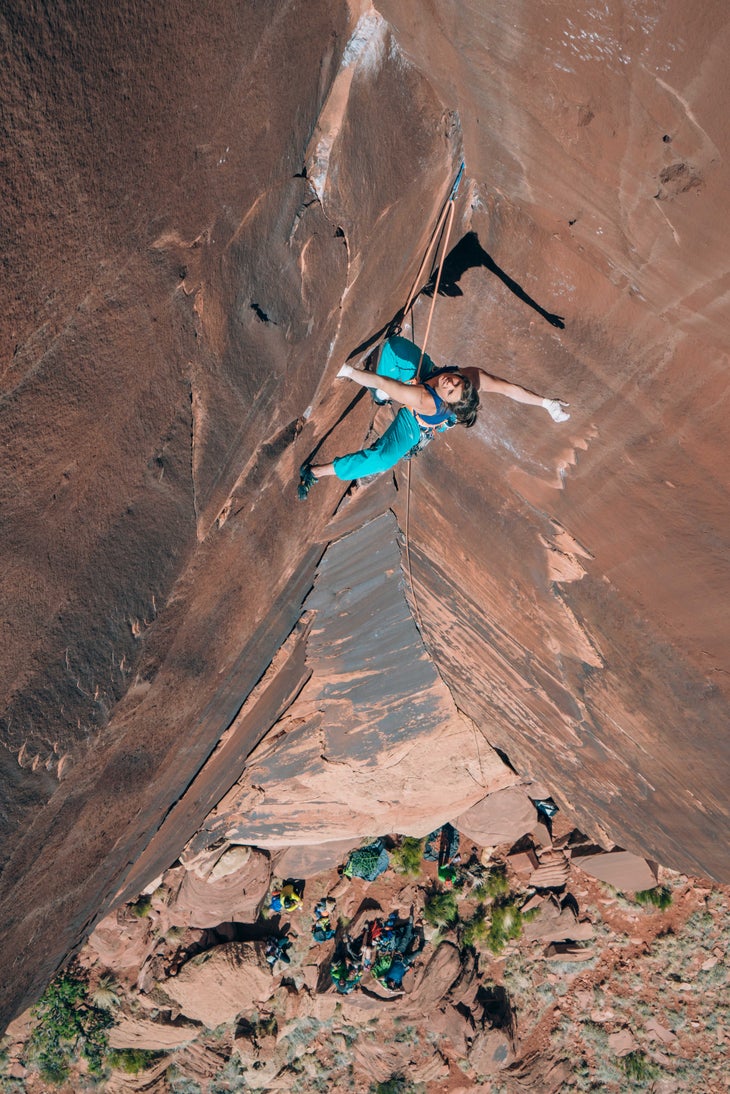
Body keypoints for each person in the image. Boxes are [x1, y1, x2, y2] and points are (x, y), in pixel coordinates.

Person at [298, 336, 569, 499]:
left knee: (382, 459)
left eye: (450, 391)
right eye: (455, 382)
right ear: (466, 379)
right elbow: (510, 389)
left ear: (449, 404)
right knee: (390, 367)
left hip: (415, 422)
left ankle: (314, 472)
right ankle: (379, 396)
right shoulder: (471, 378)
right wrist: (546, 403)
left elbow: (391, 386)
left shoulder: (427, 401)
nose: (449, 383)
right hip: (414, 371)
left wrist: (351, 373)